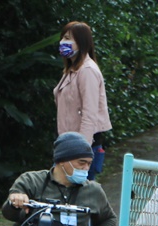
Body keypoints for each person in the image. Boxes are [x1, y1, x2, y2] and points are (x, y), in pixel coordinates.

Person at [0, 133, 117, 226]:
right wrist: (16, 202)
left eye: (89, 164)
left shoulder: (94, 191)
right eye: (81, 162)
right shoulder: (31, 181)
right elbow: (8, 213)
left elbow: (110, 219)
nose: (86, 168)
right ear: (62, 161)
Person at [54, 22, 111, 180]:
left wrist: (81, 150)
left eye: (68, 38)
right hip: (67, 144)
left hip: (82, 147)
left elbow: (89, 114)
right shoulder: (71, 70)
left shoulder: (87, 71)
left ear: (81, 42)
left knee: (80, 194)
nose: (62, 42)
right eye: (62, 38)